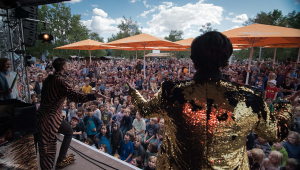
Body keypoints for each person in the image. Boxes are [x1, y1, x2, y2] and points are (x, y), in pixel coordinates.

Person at [125, 32, 293, 169]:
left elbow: (145, 110)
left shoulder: (172, 91)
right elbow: (277, 133)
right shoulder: (249, 97)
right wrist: (284, 105)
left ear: (193, 58)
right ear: (226, 60)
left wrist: (133, 92)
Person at [36, 58, 107, 170]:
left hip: (48, 114)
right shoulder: (60, 81)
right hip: (49, 118)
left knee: (68, 131)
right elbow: (75, 96)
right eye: (67, 64)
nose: (69, 66)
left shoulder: (49, 78)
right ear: (63, 67)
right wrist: (93, 96)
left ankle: (61, 160)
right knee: (48, 149)